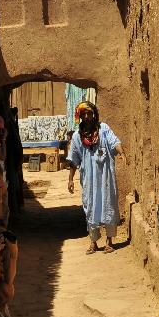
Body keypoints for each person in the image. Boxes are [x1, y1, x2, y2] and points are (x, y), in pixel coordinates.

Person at [67, 102, 126, 254]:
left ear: (94, 114)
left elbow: (115, 142)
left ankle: (109, 241)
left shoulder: (104, 129)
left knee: (109, 205)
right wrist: (70, 179)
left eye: (89, 113)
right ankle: (93, 242)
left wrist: (122, 153)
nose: (87, 117)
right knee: (90, 207)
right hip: (89, 180)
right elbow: (73, 160)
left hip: (106, 176)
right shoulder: (76, 137)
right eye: (84, 114)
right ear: (80, 117)